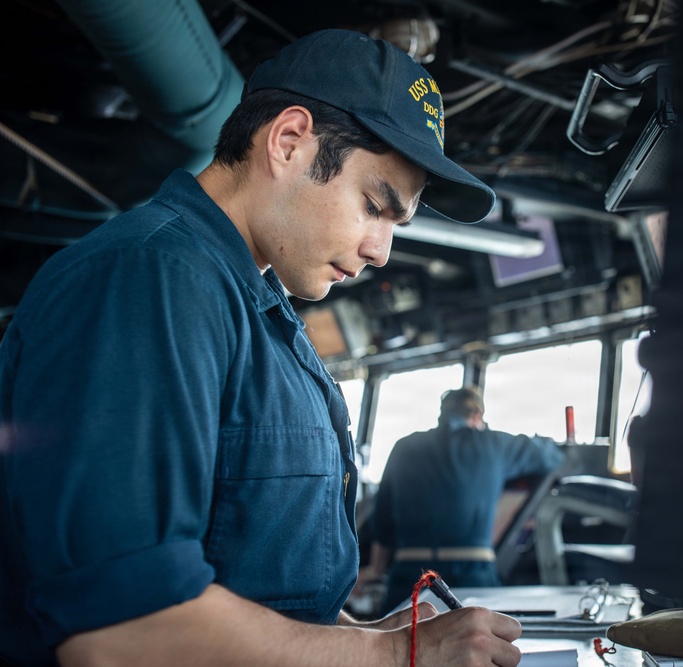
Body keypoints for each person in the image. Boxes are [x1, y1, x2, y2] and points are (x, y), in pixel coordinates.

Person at [0, 29, 523, 667]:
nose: (380, 251)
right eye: (372, 206)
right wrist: (393, 659)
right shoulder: (148, 280)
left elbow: (260, 589)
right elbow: (123, 630)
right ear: (288, 142)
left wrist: (372, 636)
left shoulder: (258, 311)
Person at [357, 386, 566, 615]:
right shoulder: (493, 443)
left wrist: (375, 570)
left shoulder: (404, 447)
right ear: (477, 417)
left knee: (397, 643)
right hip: (472, 576)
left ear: (441, 414)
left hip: (409, 577)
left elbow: (382, 520)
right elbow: (552, 456)